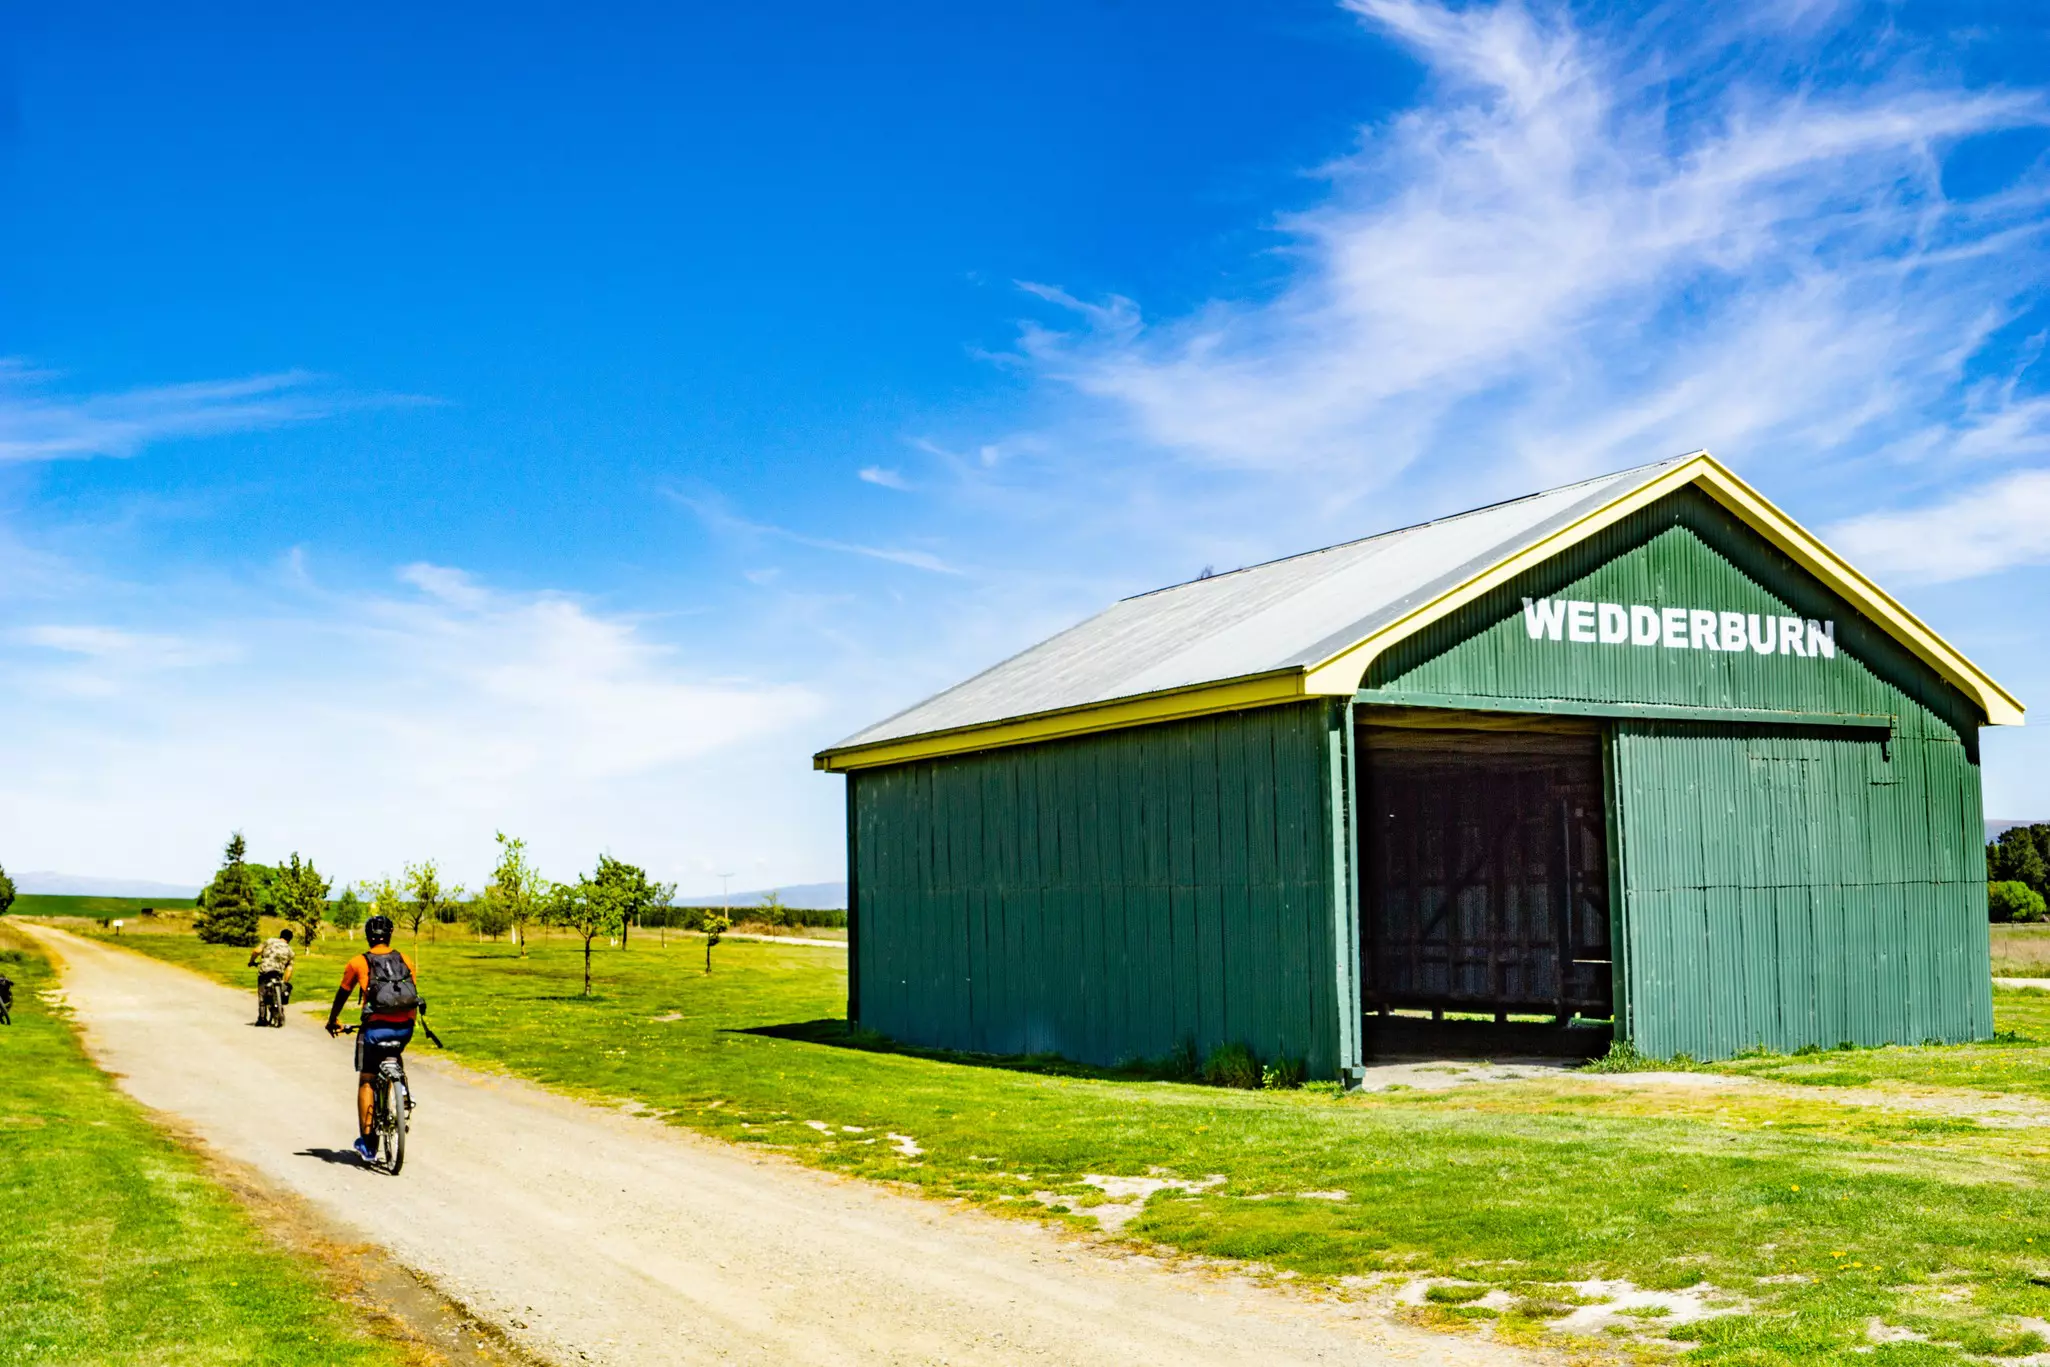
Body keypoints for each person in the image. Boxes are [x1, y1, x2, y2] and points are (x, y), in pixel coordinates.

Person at [324, 914, 421, 1163]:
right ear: (390, 934)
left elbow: (342, 994)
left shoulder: (358, 962)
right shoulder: (405, 959)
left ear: (368, 936)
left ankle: (368, 1145)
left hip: (375, 1031)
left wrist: (333, 1019)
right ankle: (402, 1093)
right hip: (406, 1029)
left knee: (367, 1079)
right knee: (394, 1052)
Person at [247, 926, 295, 1019]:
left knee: (262, 993)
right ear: (289, 939)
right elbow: (289, 969)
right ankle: (279, 1005)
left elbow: (256, 951)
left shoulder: (270, 941)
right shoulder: (290, 951)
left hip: (265, 969)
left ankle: (262, 1018)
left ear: (280, 936)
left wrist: (251, 961)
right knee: (279, 985)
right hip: (278, 972)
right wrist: (285, 982)